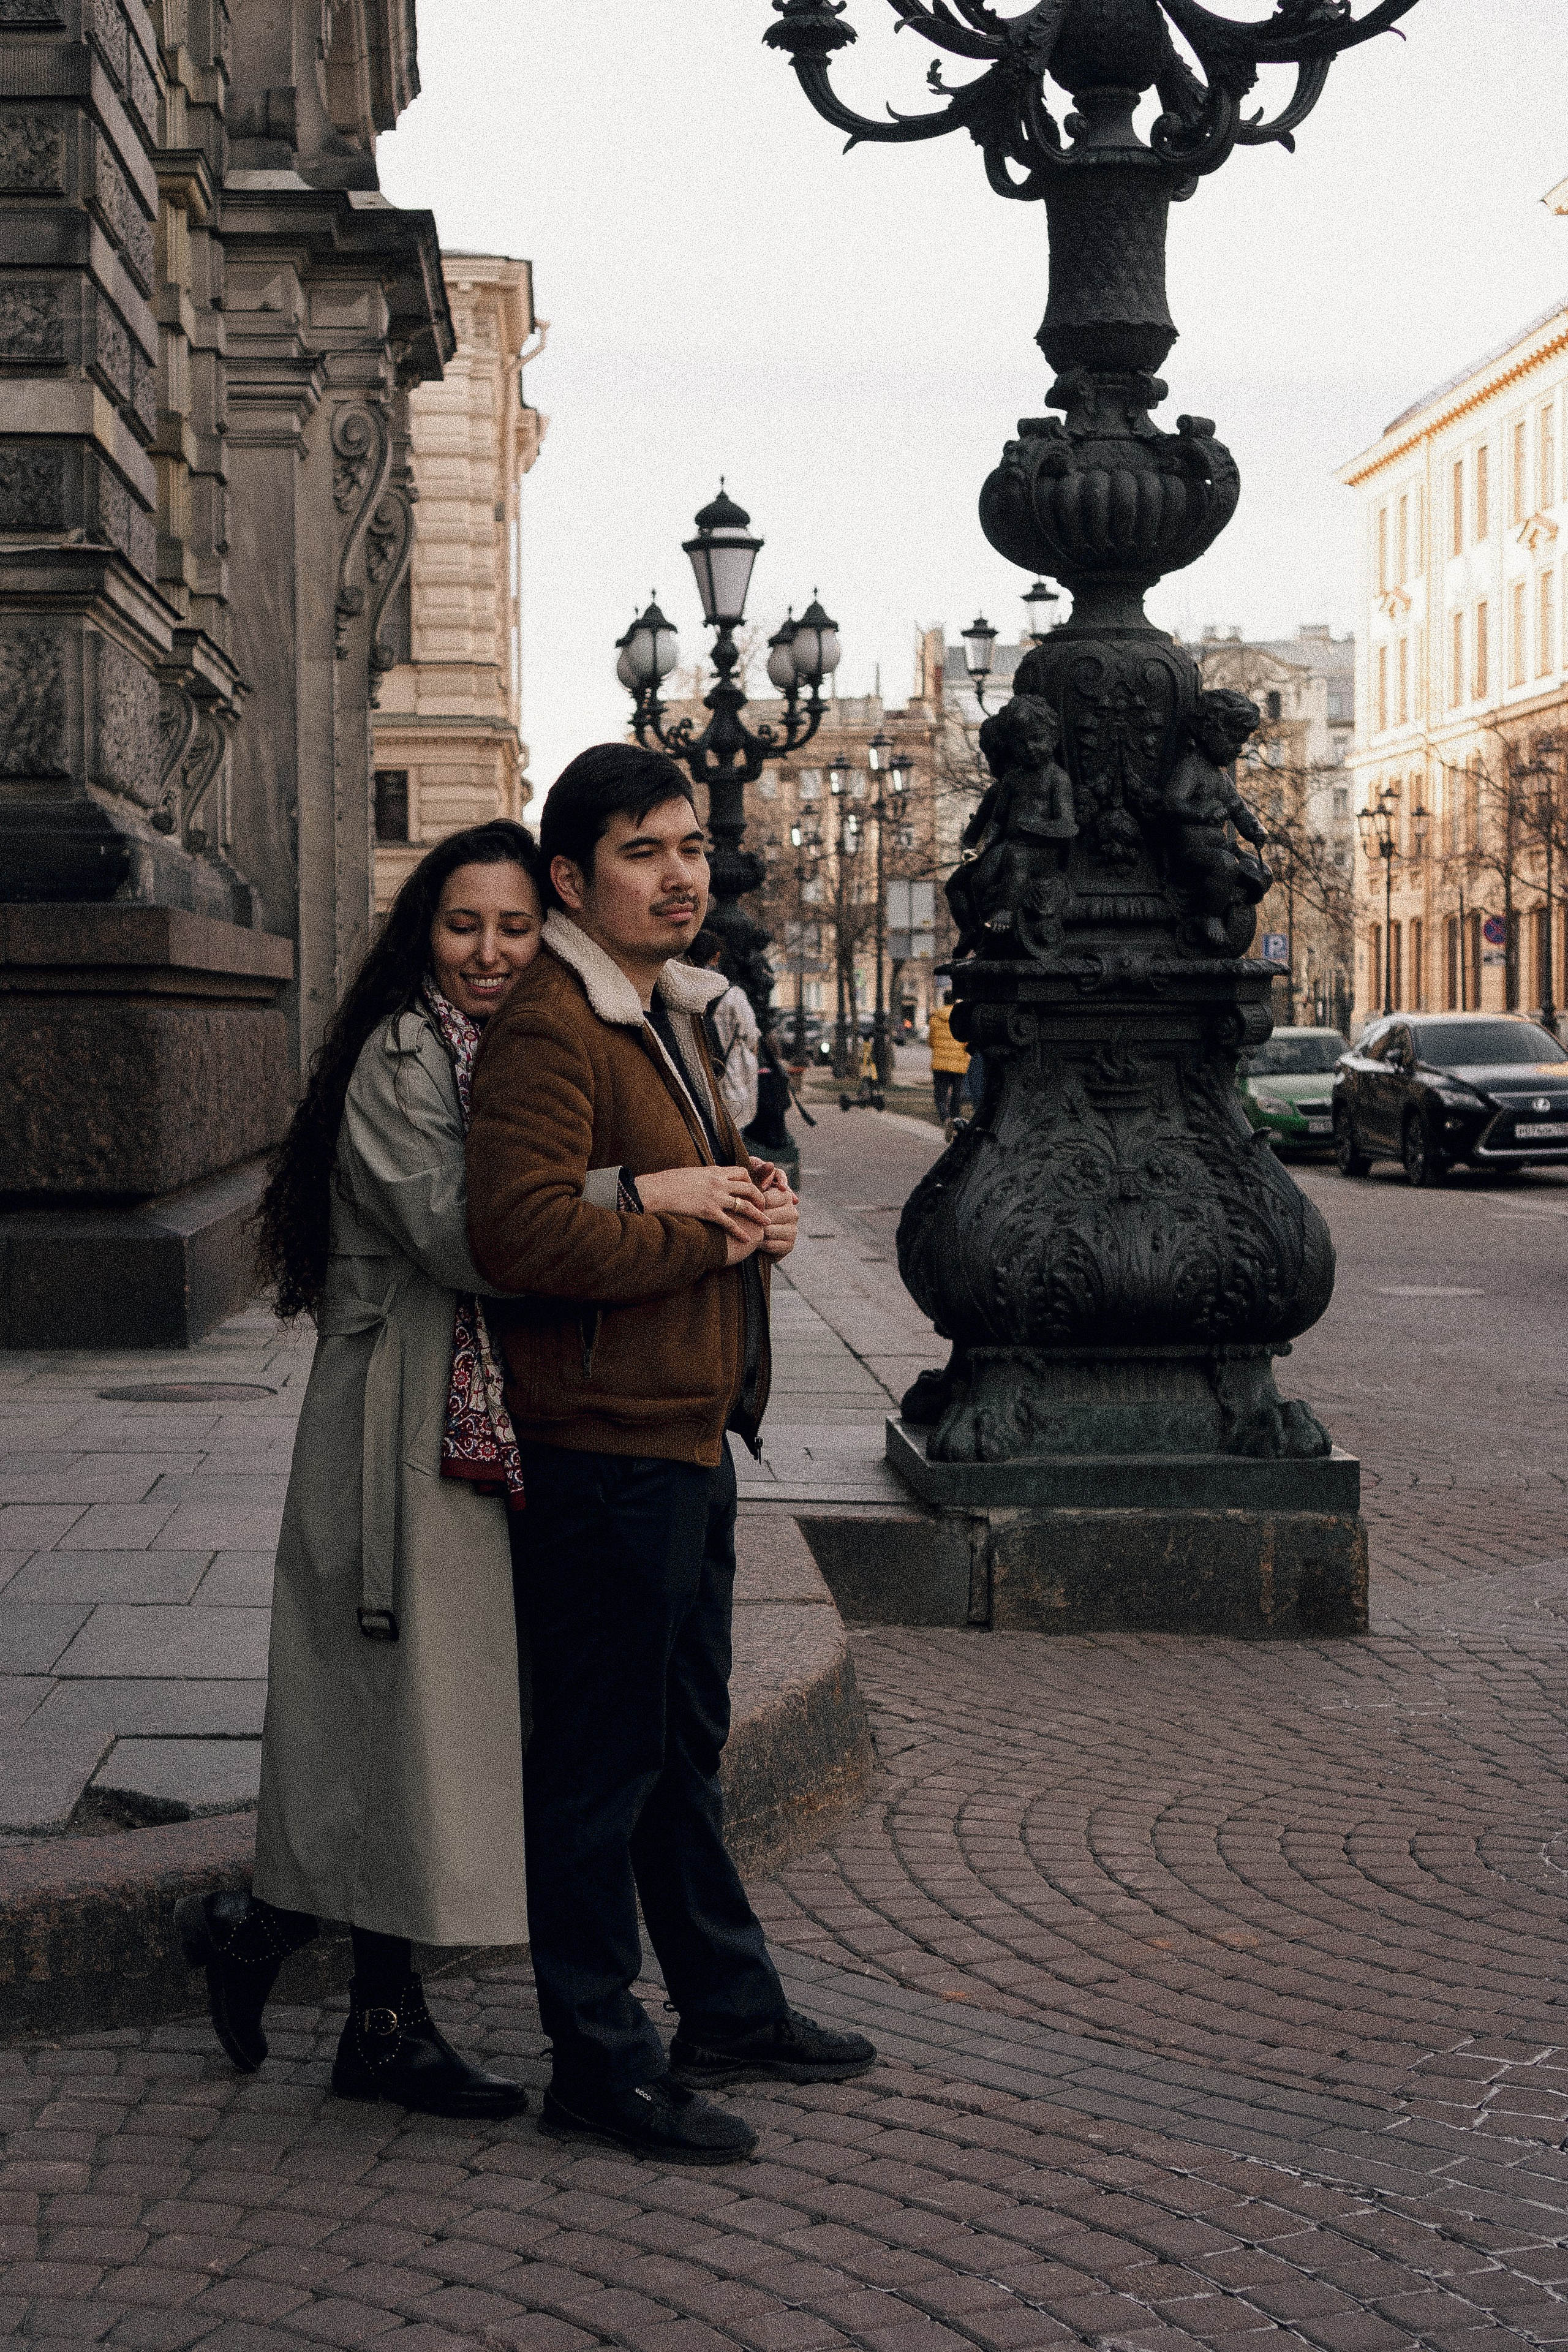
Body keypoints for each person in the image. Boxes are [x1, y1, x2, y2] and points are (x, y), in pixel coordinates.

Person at [174, 821, 731, 2120]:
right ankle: (291, 1960)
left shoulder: (523, 1052)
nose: (488, 952)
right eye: (460, 925)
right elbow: (471, 1235)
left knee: (435, 1725)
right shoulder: (400, 1056)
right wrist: (659, 1194)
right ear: (420, 935)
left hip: (492, 1413)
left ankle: (349, 2005)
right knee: (396, 1712)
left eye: (514, 927)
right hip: (404, 1418)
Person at [467, 743, 876, 2166]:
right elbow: (514, 1235)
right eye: (644, 850)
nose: (682, 872)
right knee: (599, 1765)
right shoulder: (552, 1023)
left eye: (690, 845)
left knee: (680, 1747)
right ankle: (596, 2052)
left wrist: (753, 1214)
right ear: (571, 876)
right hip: (601, 1448)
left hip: (686, 1436)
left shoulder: (672, 1017)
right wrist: (693, 1222)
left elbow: (689, 1200)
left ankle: (725, 2003)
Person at [687, 927, 761, 1130]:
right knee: (733, 1133)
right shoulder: (733, 995)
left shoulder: (682, 993)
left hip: (693, 1076)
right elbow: (751, 1035)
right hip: (729, 1075)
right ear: (716, 957)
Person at [929, 990, 970, 1124]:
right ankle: (956, 1121)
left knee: (941, 1096)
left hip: (940, 1063)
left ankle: (946, 1119)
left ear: (944, 1000)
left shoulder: (935, 1018)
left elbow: (932, 1042)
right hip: (959, 1063)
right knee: (957, 1095)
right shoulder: (962, 1018)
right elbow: (966, 1042)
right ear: (955, 1000)